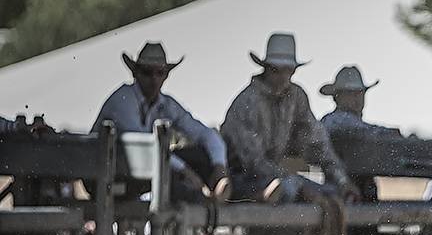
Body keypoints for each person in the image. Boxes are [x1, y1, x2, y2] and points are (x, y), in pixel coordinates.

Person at [221, 33, 360, 204]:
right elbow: (253, 163)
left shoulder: (296, 97)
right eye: (276, 70)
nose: (282, 77)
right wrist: (299, 186)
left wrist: (342, 182)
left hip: (278, 178)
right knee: (288, 190)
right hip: (240, 179)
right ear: (266, 68)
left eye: (287, 70)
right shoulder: (247, 103)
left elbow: (317, 142)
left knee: (332, 194)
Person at [92, 42, 228, 200]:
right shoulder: (122, 101)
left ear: (166, 75)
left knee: (200, 158)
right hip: (105, 174)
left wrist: (219, 168)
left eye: (160, 72)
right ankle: (199, 201)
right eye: (147, 72)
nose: (154, 79)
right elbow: (145, 146)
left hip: (136, 172)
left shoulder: (166, 104)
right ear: (136, 73)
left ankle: (210, 196)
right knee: (173, 175)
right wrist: (186, 172)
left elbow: (205, 133)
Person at [319, 66, 400, 138]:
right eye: (350, 94)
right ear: (338, 97)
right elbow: (359, 129)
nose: (357, 98)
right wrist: (392, 134)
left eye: (360, 93)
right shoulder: (332, 120)